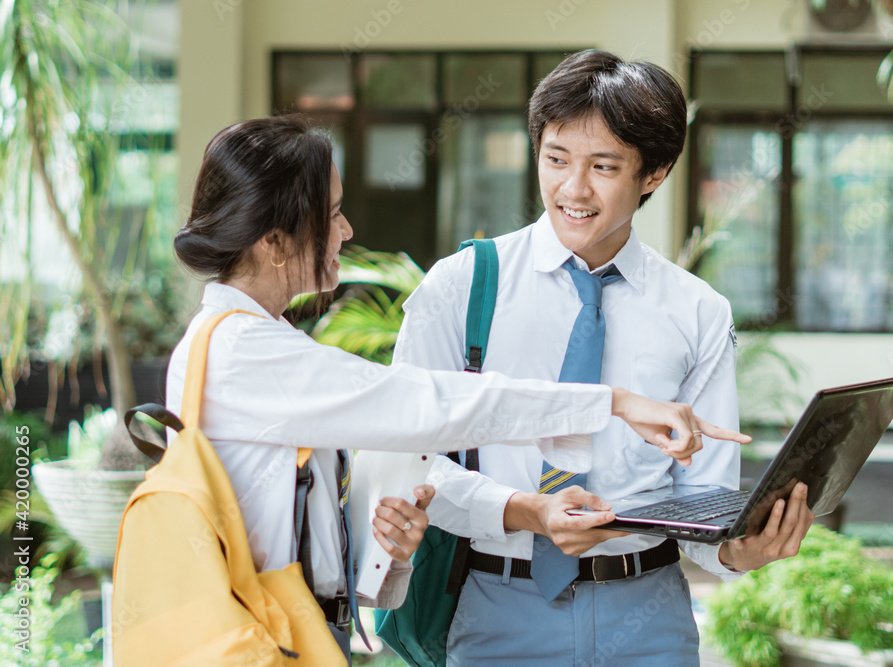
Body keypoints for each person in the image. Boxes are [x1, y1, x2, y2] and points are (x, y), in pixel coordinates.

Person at [166, 115, 750, 663]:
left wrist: (391, 545)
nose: (345, 231)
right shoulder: (245, 352)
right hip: (260, 638)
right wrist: (613, 403)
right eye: (333, 214)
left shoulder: (256, 343)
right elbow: (429, 406)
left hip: (291, 631)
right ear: (273, 240)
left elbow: (309, 525)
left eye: (603, 165)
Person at [394, 50, 815, 665]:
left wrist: (733, 551)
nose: (573, 188)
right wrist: (529, 513)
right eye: (557, 159)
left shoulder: (696, 310)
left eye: (603, 166)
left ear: (655, 173)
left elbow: (702, 495)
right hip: (498, 608)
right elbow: (407, 461)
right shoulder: (460, 288)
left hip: (648, 615)